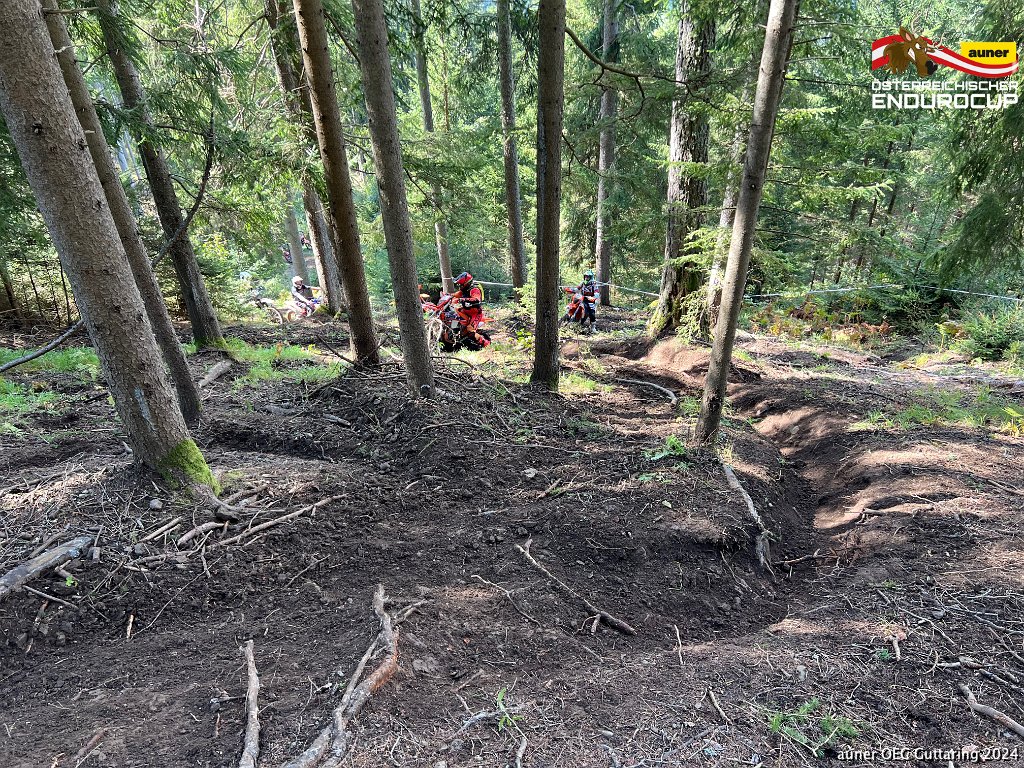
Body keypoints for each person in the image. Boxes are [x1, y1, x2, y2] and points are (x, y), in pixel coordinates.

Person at [448, 271, 490, 348]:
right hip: (465, 311)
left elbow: (476, 299)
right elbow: (456, 294)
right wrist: (448, 296)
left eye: (460, 284)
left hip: (475, 313)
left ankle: (486, 343)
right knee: (451, 315)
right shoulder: (465, 289)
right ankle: (454, 331)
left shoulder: (474, 289)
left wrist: (460, 300)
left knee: (470, 330)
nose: (459, 286)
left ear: (466, 283)